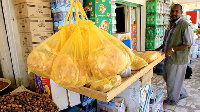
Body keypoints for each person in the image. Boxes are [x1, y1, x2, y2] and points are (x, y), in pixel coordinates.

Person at [156, 4, 194, 105]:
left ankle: (172, 100)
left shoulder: (184, 25)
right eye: (172, 11)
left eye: (177, 11)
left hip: (178, 59)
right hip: (168, 58)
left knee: (172, 81)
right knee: (167, 78)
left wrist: (173, 49)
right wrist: (158, 48)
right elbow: (167, 41)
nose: (174, 13)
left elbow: (189, 42)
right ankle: (182, 93)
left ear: (181, 13)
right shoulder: (171, 25)